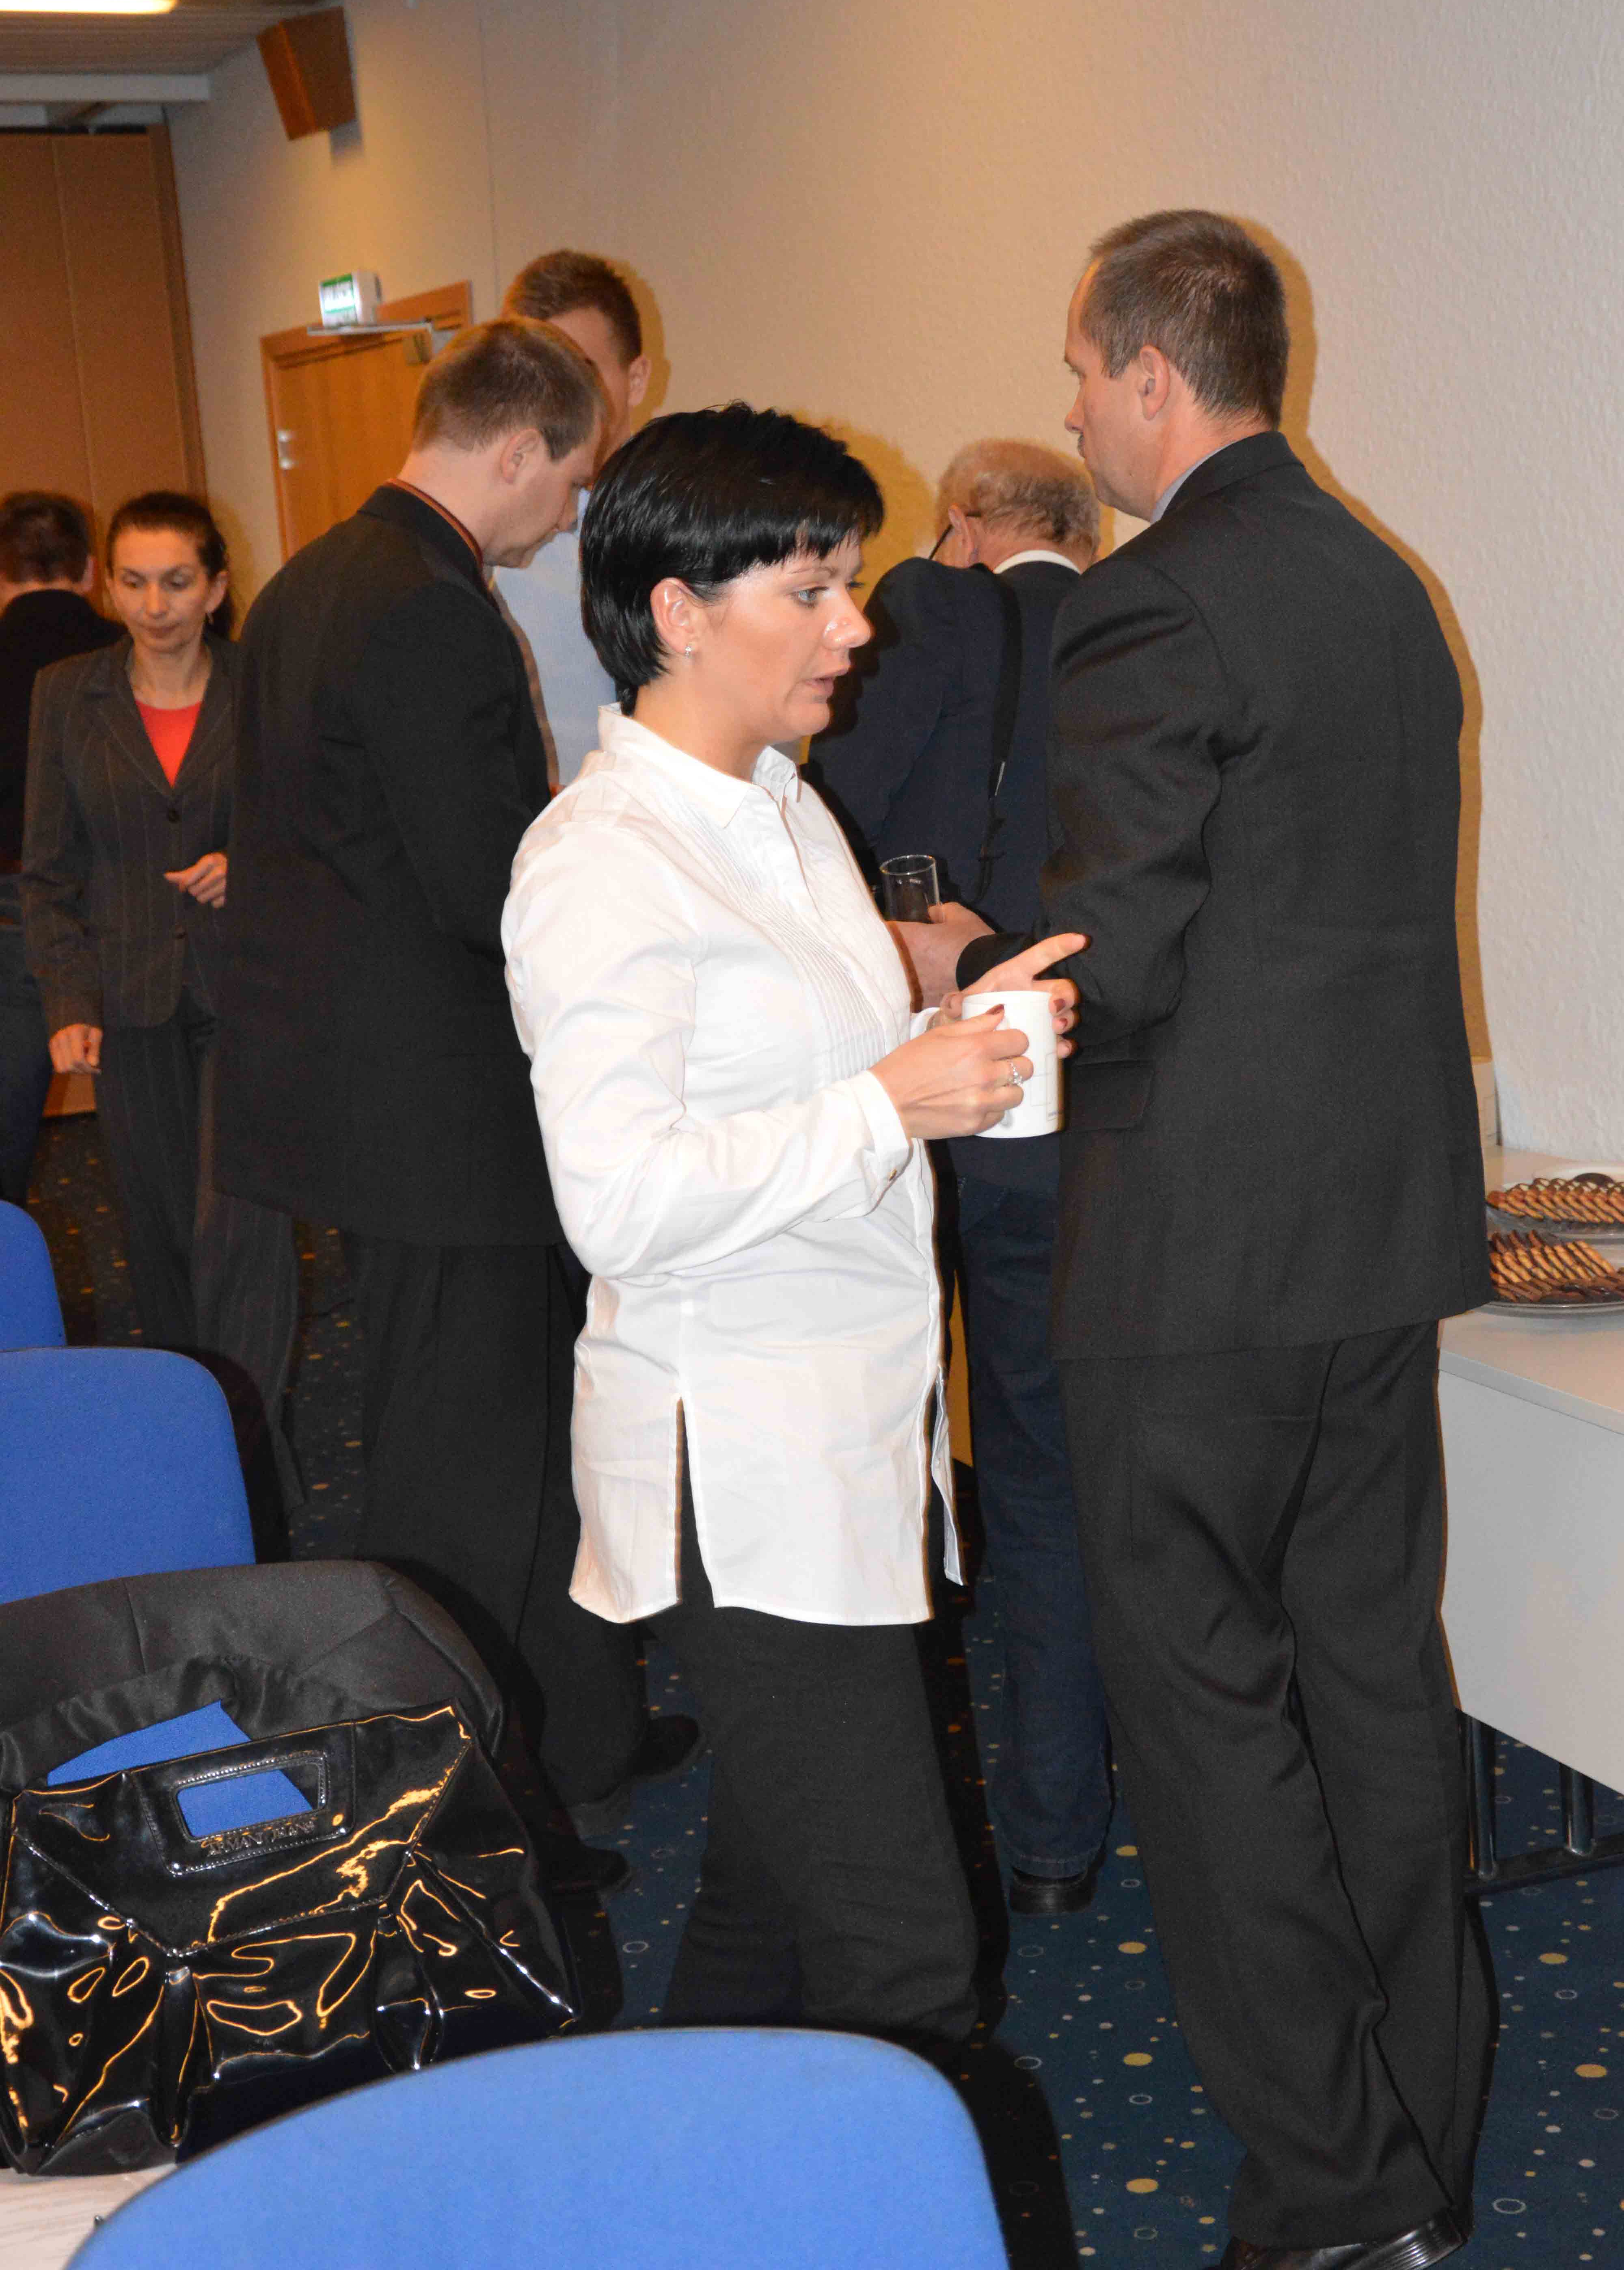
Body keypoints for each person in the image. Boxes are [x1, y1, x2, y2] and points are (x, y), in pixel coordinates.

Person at [959, 211, 1492, 2270]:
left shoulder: (1146, 601)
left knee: (1204, 1717)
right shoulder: (1380, 581)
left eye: (1080, 373)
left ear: (1150, 378)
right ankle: (1416, 2146)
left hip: (1196, 1254)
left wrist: (982, 969)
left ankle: (1337, 2192)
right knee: (1371, 1685)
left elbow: (1136, 948)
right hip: (1374, 1230)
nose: (1075, 409)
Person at [503, 402, 1085, 2048]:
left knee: (766, 1912)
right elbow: (616, 1198)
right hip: (743, 1466)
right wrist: (890, 1101)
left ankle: (665, 2172)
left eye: (849, 584)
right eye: (812, 591)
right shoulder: (600, 859)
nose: (856, 626)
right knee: (910, 1965)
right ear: (679, 614)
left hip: (846, 1424)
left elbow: (806, 1035)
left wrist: (949, 1012)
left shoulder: (779, 800)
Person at [216, 318, 692, 1857]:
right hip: (437, 1112)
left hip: (357, 1094)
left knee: (508, 1432)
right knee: (464, 1470)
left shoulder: (313, 578)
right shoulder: (428, 605)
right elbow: (491, 882)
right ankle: (459, 1803)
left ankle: (578, 1730)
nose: (573, 507)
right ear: (518, 449)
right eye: (574, 473)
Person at [809, 441, 1111, 1918]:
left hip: (921, 1083)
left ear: (968, 527)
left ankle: (885, 1819)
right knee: (1053, 1465)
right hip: (1086, 1107)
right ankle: (1060, 1832)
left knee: (877, 1439)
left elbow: (829, 822)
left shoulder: (931, 610)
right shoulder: (1136, 623)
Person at [21, 492, 301, 1526]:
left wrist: (249, 865)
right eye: (134, 581)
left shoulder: (261, 685)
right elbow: (48, 872)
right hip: (130, 1002)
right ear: (105, 584)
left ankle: (259, 1474)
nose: (155, 605)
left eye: (177, 581)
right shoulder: (68, 693)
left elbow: (314, 832)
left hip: (250, 995)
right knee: (162, 1242)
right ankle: (198, 1466)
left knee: (246, 1237)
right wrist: (68, 999)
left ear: (217, 586)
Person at [493, 250, 652, 787]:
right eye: (534, 377)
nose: (555, 402)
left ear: (636, 379)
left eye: (580, 373)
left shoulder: (705, 527)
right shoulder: (490, 549)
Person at [0, 493, 120, 1205]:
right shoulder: (135, 656)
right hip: (135, 905)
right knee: (167, 1134)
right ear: (92, 569)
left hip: (11, 908)